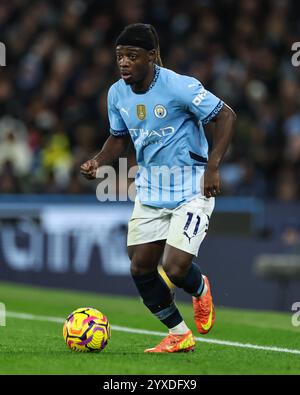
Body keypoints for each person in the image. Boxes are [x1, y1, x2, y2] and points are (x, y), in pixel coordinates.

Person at [80, 23, 236, 353]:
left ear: (151, 57)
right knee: (140, 267)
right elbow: (119, 138)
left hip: (191, 189)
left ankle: (200, 287)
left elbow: (225, 116)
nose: (123, 62)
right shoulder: (116, 93)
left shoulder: (179, 87)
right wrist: (99, 160)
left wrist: (213, 166)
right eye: (119, 56)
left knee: (176, 268)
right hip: (151, 190)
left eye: (132, 56)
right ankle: (179, 334)